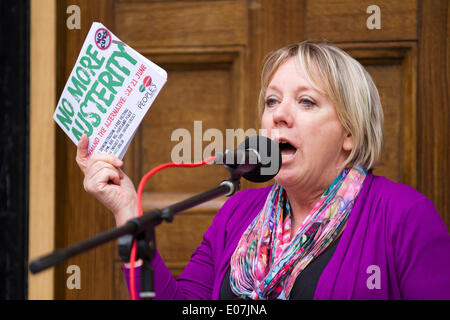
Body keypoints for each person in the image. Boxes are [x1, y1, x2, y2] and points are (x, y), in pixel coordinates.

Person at [76, 41, 450, 300]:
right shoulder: (237, 212)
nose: (278, 115)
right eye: (272, 100)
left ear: (349, 132)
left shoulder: (404, 216)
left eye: (306, 101)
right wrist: (128, 210)